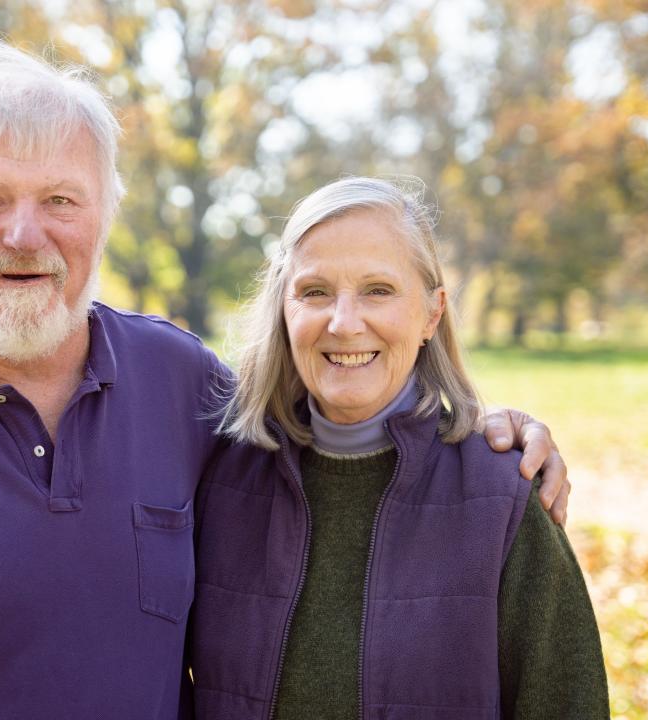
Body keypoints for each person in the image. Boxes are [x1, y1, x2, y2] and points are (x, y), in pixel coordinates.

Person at [0, 41, 573, 719]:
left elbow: (342, 404)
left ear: (105, 215)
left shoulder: (184, 384)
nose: (26, 236)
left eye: (62, 200)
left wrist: (491, 435)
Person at [189, 177, 608, 718]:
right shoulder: (219, 480)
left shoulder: (502, 499)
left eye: (377, 291)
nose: (343, 323)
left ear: (431, 314)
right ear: (284, 310)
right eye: (314, 292)